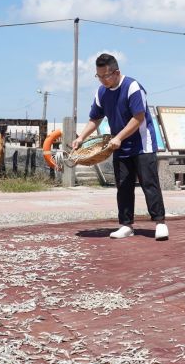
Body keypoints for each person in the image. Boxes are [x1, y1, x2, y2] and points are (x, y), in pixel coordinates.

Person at [72, 53, 168, 240]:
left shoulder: (132, 87)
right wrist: (82, 137)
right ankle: (126, 225)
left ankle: (160, 223)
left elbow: (138, 117)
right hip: (119, 146)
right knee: (123, 186)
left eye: (105, 76)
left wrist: (120, 137)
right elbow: (96, 118)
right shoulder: (101, 92)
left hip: (142, 144)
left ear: (117, 72)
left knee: (149, 183)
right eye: (98, 76)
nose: (102, 80)